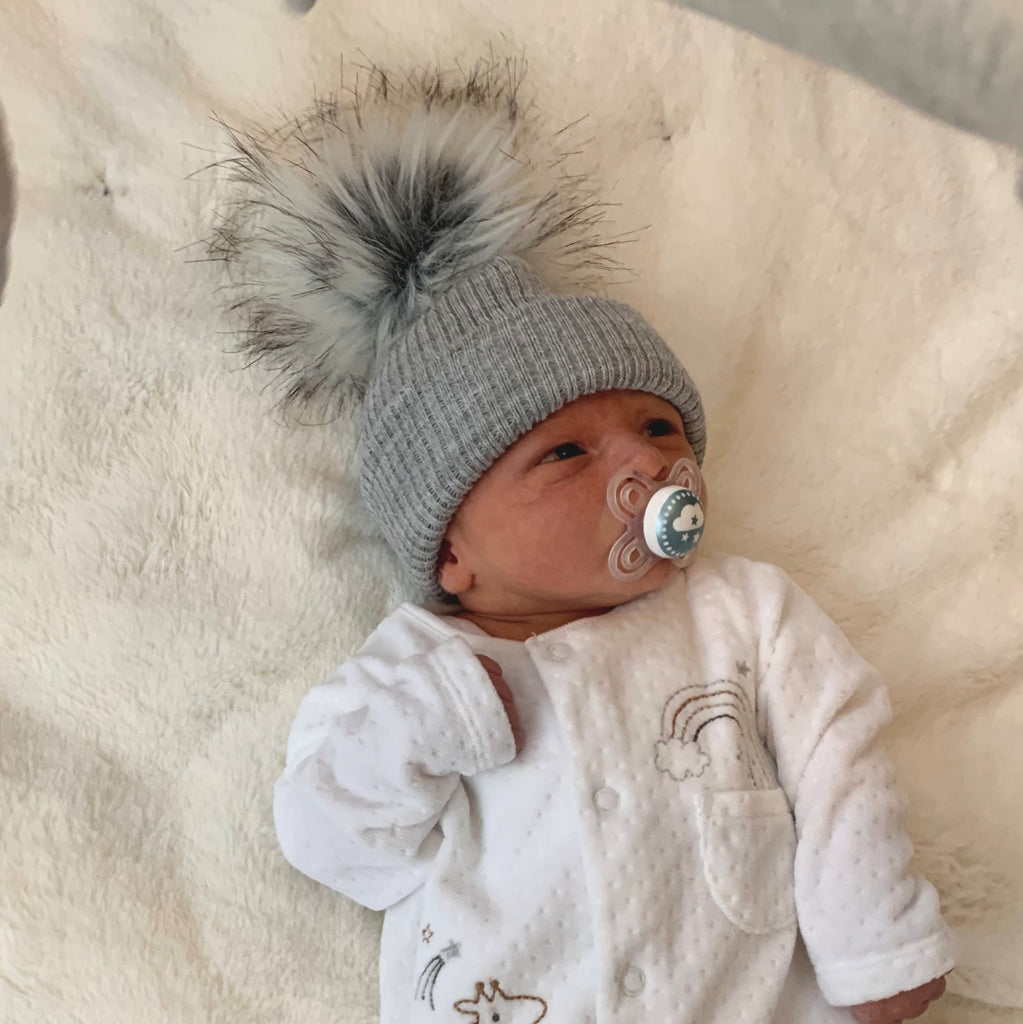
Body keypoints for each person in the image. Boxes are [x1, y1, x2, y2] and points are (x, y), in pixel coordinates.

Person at [210, 62, 955, 1024]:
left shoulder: (743, 611)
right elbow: (337, 845)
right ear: (451, 553)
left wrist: (874, 937)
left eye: (659, 429)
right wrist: (415, 732)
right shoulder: (410, 670)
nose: (643, 469)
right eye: (565, 452)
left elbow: (837, 751)